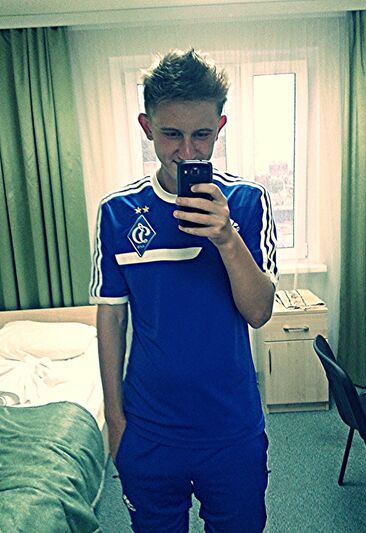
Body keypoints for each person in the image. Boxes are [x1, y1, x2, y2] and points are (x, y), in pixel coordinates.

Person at [89, 48, 278, 533]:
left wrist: (226, 237)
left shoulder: (248, 202)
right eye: (172, 134)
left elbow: (259, 312)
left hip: (231, 426)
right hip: (149, 428)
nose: (188, 152)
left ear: (220, 127)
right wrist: (115, 421)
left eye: (202, 135)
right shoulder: (116, 213)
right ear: (147, 127)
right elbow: (111, 317)